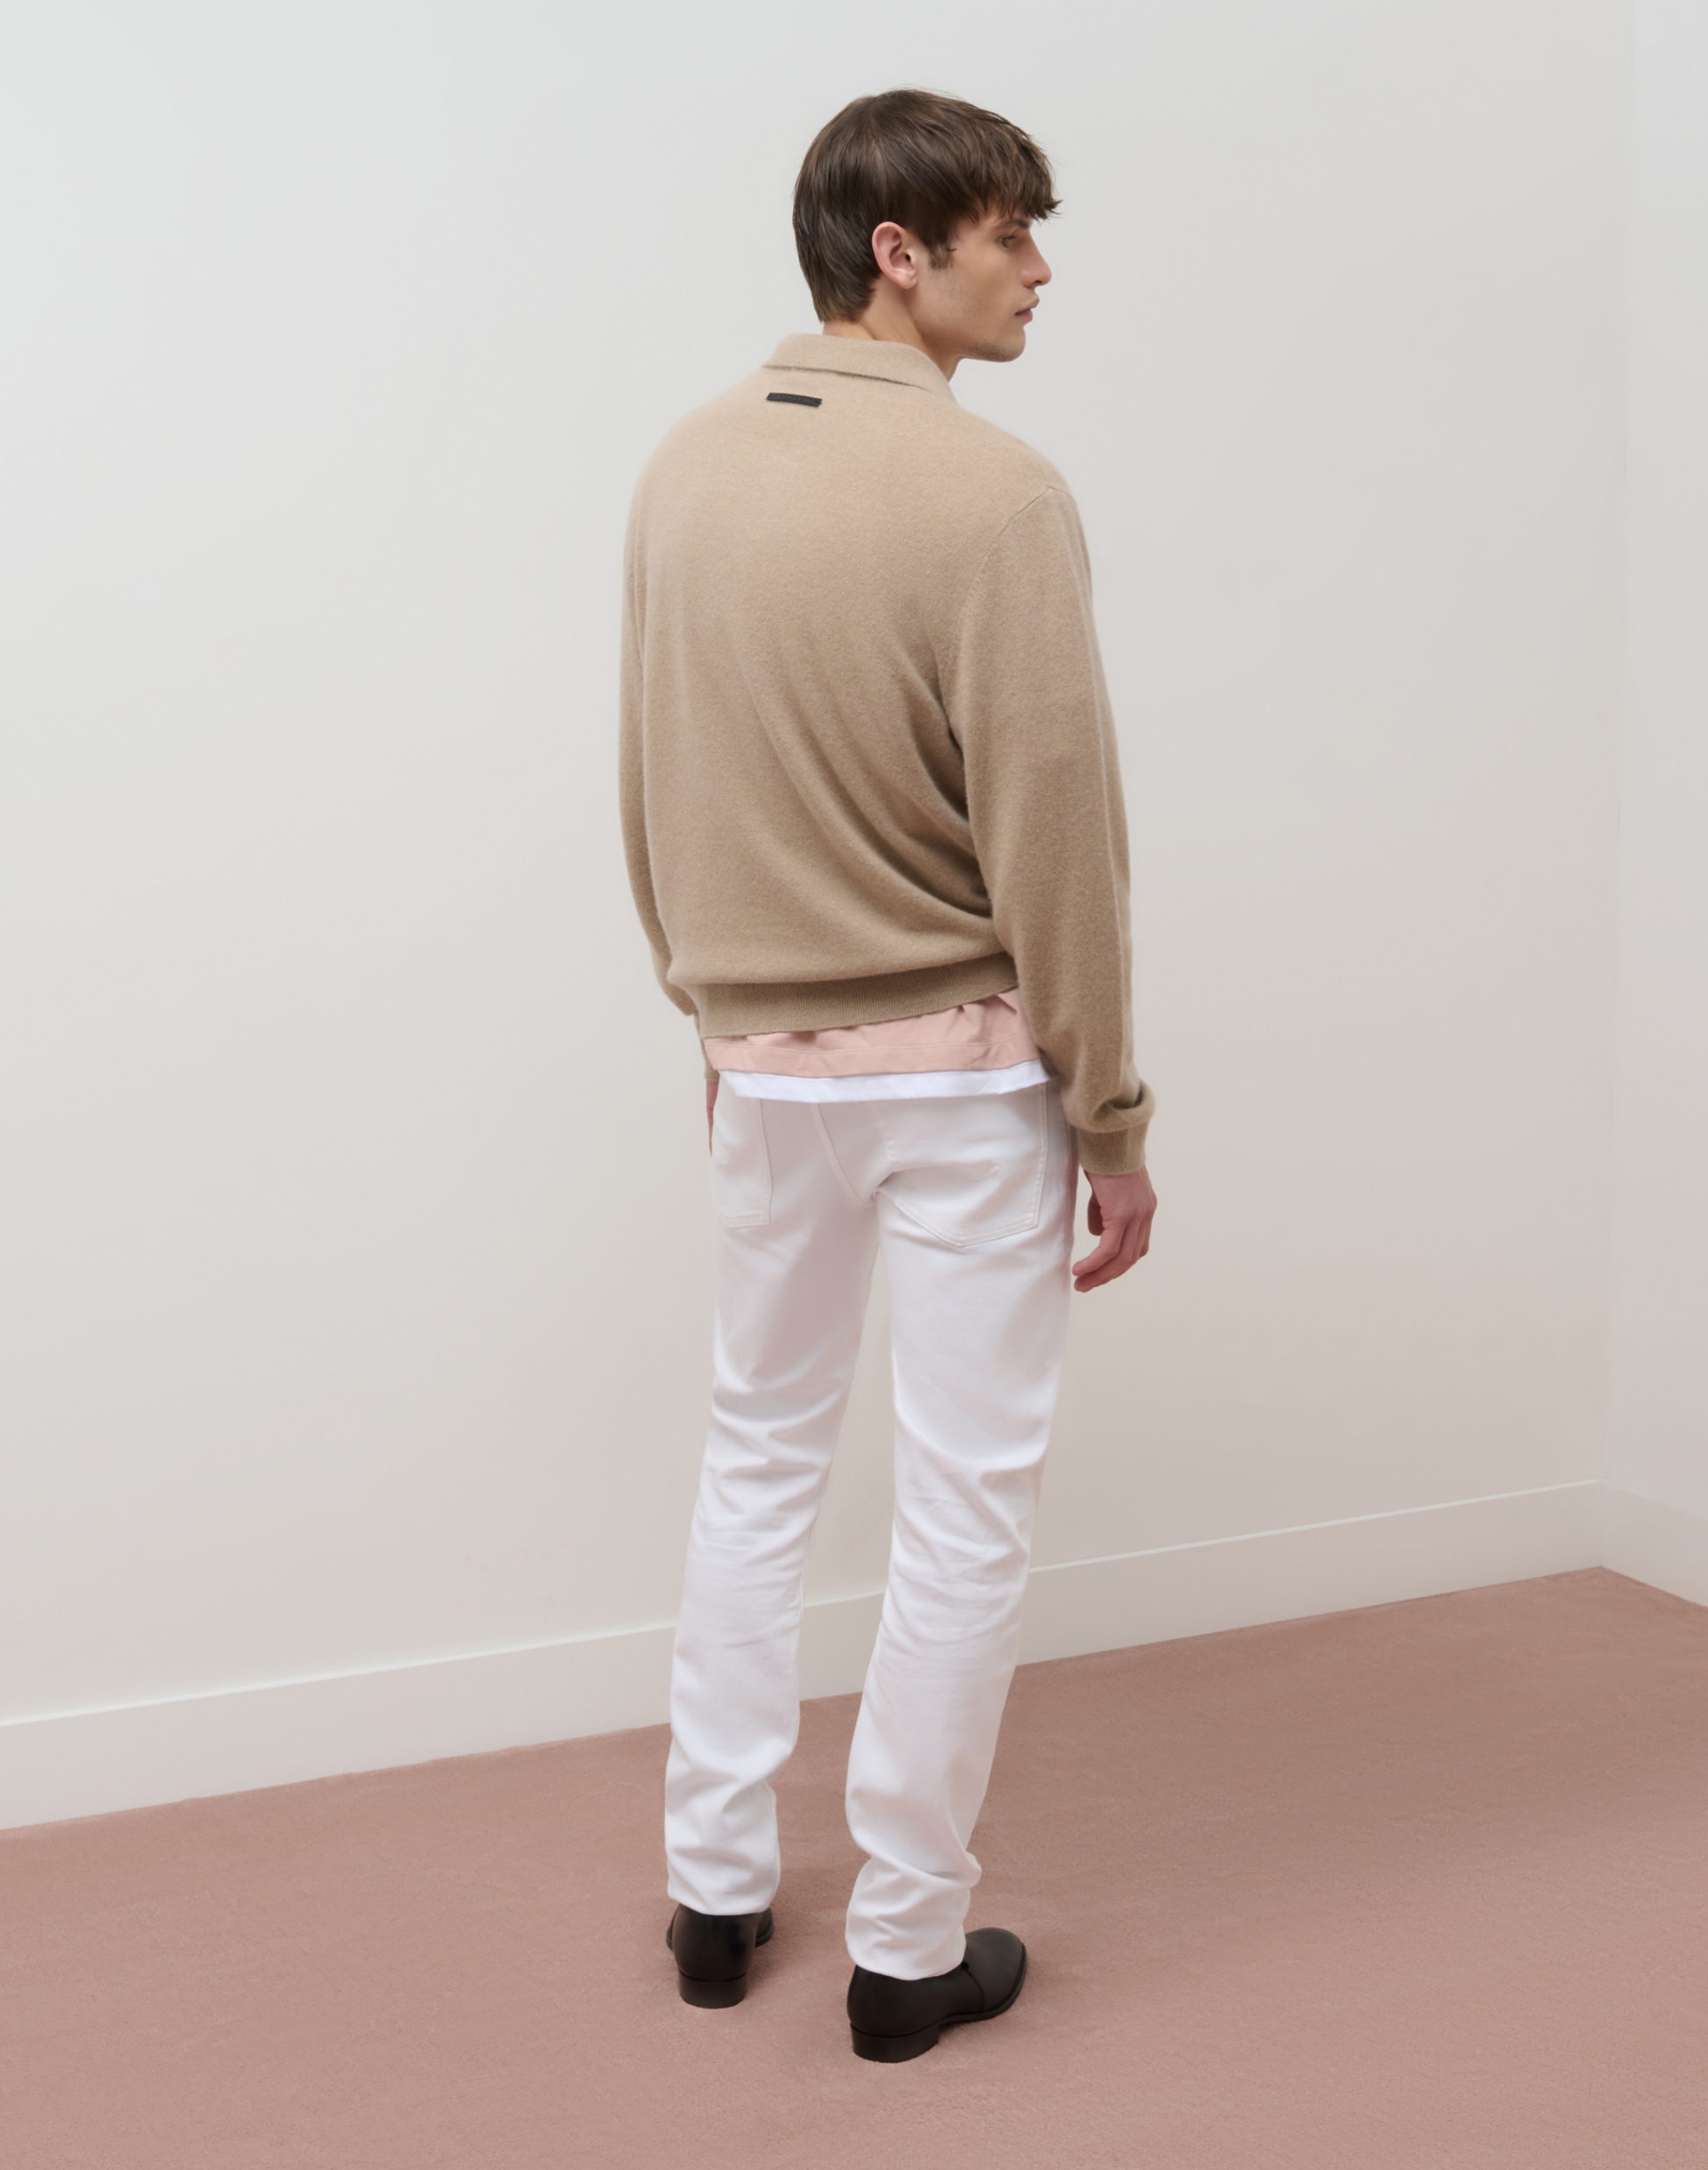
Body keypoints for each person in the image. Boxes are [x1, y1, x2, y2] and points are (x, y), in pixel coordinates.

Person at [619, 87, 1154, 2063]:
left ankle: (712, 1889)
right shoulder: (992, 494)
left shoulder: (683, 469)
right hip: (959, 1078)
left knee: (755, 1457)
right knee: (960, 1506)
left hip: (764, 1068)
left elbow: (649, 779)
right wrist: (1109, 1114)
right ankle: (906, 1944)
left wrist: (712, 1016)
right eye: (1010, 233)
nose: (1041, 270)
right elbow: (1057, 836)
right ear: (897, 250)